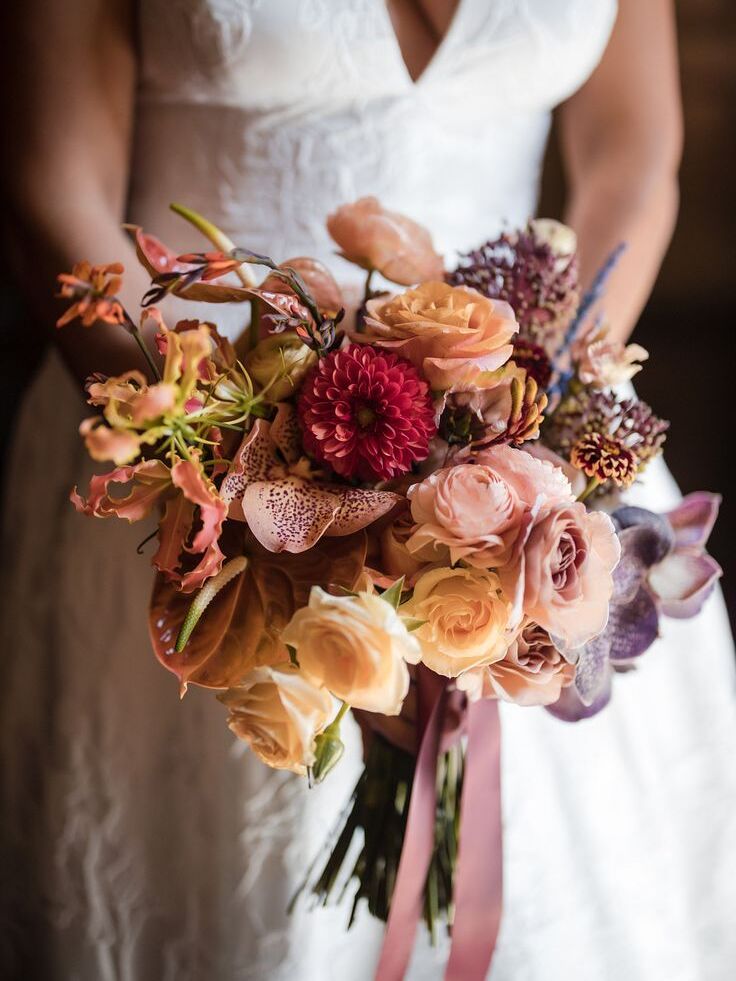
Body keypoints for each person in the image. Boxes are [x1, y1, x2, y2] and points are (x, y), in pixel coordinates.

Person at [1, 2, 735, 979]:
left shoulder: (532, 416)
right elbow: (54, 186)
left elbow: (631, 153)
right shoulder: (208, 449)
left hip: (529, 422)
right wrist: (227, 448)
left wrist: (529, 409)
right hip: (191, 446)